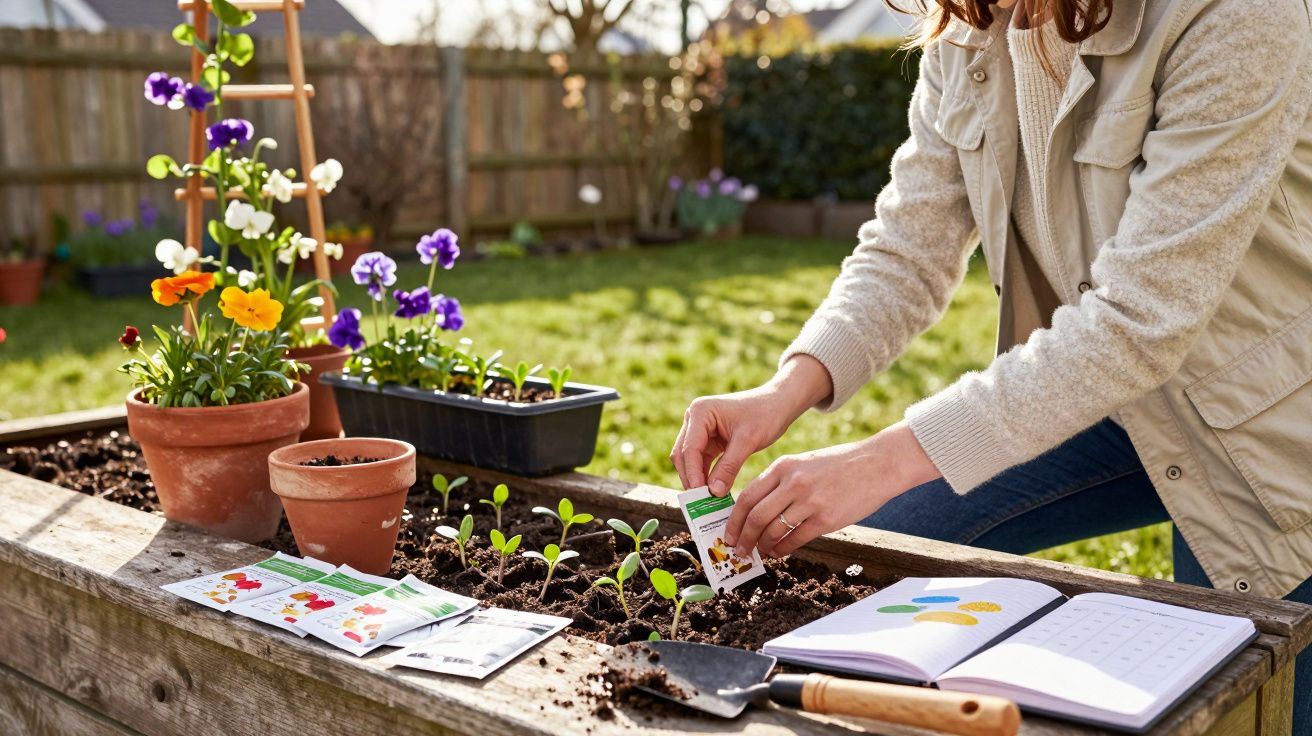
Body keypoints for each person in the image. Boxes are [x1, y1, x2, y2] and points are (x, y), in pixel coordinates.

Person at [671, 0, 1312, 728]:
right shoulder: (971, 28)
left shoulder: (1238, 14)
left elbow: (1139, 322)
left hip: (1269, 433)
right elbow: (908, 249)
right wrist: (787, 388)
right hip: (1097, 396)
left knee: (1252, 699)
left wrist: (879, 459)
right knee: (877, 536)